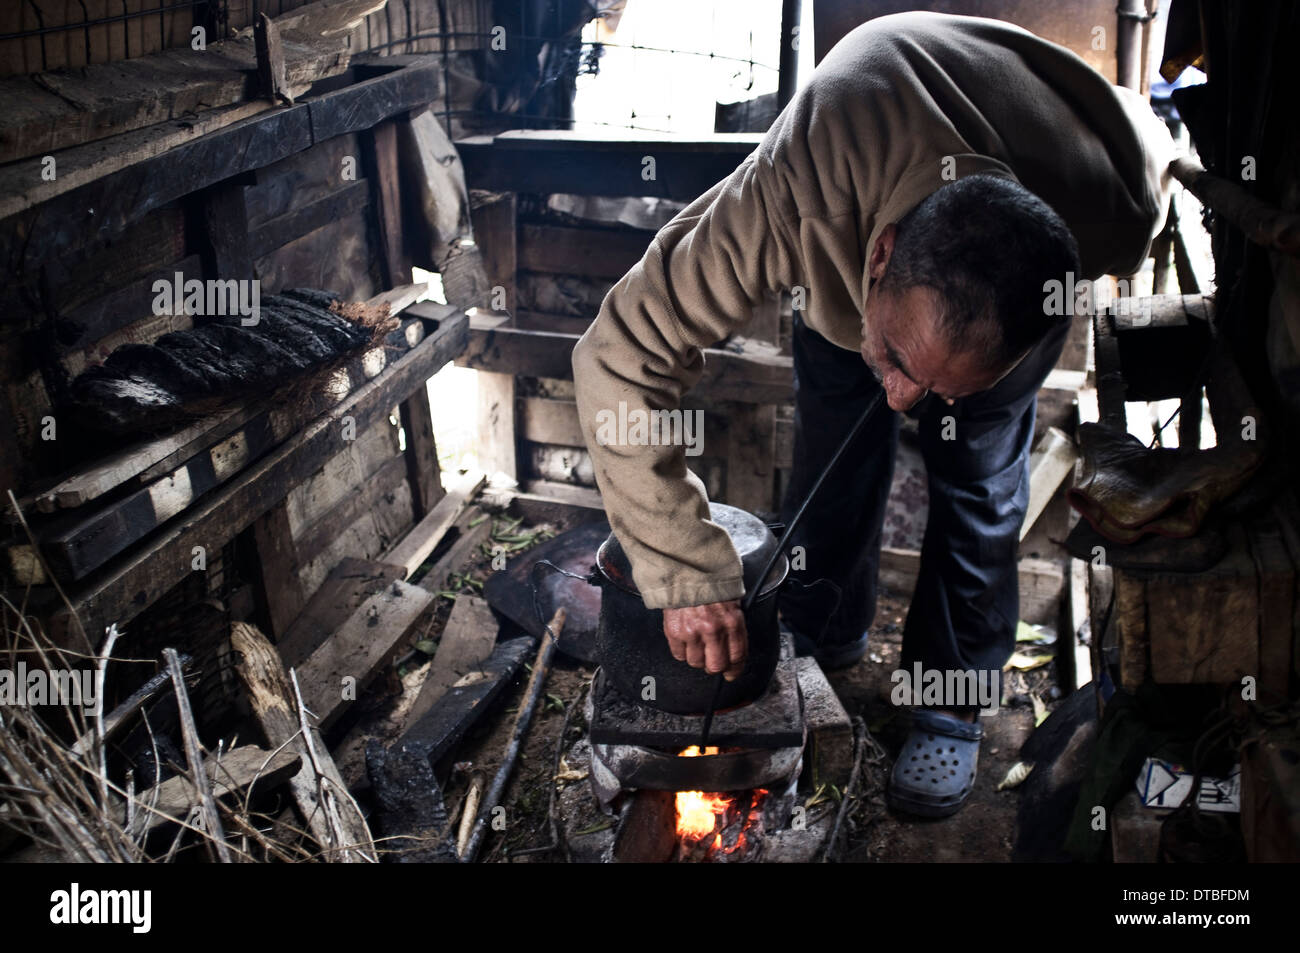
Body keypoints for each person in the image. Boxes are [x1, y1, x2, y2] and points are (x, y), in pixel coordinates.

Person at [571, 11, 1175, 816]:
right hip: (850, 230)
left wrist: (943, 370)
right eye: (896, 359)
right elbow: (620, 350)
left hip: (1012, 248)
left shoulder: (1108, 199)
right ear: (882, 256)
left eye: (931, 387)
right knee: (837, 450)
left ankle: (949, 699)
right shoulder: (795, 195)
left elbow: (1154, 176)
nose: (902, 401)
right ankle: (824, 626)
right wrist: (681, 566)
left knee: (980, 481)